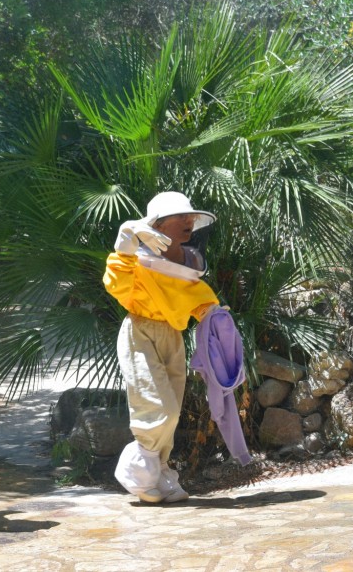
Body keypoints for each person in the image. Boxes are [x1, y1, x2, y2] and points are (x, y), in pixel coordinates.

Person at [103, 191, 221, 503]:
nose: (189, 220)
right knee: (158, 408)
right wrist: (125, 242)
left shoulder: (187, 260)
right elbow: (116, 281)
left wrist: (215, 317)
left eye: (190, 215)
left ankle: (159, 472)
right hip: (140, 331)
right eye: (181, 216)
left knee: (173, 409)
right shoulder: (138, 260)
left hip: (173, 335)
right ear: (158, 224)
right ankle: (136, 471)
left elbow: (196, 294)